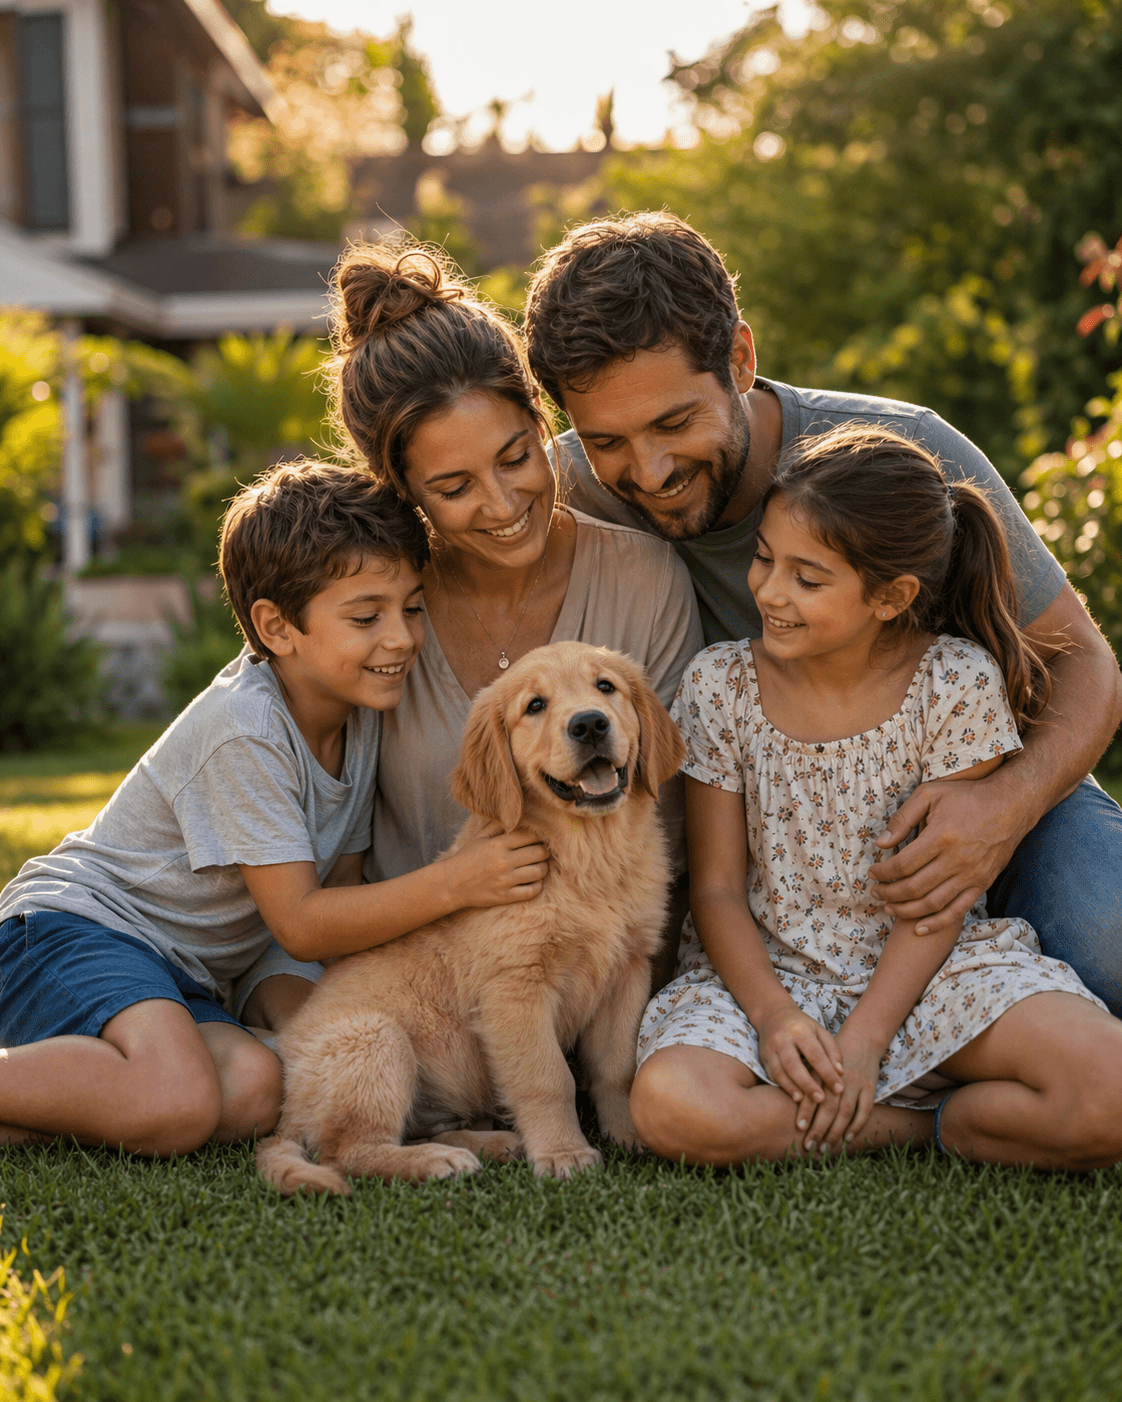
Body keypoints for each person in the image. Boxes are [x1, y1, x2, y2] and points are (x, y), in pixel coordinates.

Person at [523, 212, 1122, 1015]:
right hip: (765, 853)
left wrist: (1002, 808)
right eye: (608, 441)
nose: (651, 469)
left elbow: (1082, 657)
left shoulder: (897, 450)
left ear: (739, 358)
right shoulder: (559, 496)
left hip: (974, 792)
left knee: (1108, 933)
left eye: (674, 423)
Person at [0, 462, 548, 1155]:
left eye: (412, 607)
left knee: (261, 1088)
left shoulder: (361, 712)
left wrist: (314, 1017)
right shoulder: (245, 729)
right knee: (178, 1100)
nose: (403, 638)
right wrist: (458, 881)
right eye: (365, 616)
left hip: (183, 976)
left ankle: (50, 1109)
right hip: (72, 931)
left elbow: (336, 899)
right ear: (278, 627)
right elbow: (305, 921)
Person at [629, 425, 1122, 1169]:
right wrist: (774, 1020)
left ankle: (923, 1116)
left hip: (932, 973)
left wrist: (865, 1041)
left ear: (891, 597)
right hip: (770, 974)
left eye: (808, 577)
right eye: (764, 558)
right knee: (673, 1106)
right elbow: (719, 890)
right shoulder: (718, 684)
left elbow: (939, 897)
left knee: (1111, 1091)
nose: (769, 591)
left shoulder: (954, 683)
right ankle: (904, 1124)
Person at [238, 244, 704, 1026]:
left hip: (593, 988)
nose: (501, 504)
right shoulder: (376, 618)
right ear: (402, 489)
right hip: (413, 990)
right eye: (452, 488)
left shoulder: (645, 580)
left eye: (516, 457)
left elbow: (671, 845)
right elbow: (262, 750)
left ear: (540, 418)